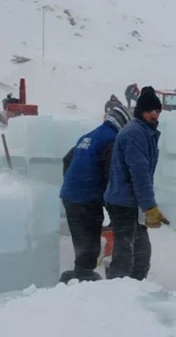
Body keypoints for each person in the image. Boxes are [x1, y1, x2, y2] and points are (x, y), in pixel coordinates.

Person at [59, 105, 133, 283]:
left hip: (71, 196)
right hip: (87, 199)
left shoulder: (89, 136)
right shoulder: (112, 140)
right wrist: (114, 207)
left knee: (81, 239)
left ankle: (80, 273)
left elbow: (67, 159)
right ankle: (83, 280)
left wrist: (73, 184)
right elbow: (111, 177)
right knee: (90, 241)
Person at [103, 86, 169, 280]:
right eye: (150, 111)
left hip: (132, 200)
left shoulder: (145, 132)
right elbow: (139, 173)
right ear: (140, 111)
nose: (154, 115)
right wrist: (149, 207)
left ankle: (135, 291)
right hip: (122, 201)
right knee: (125, 253)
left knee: (141, 254)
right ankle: (116, 291)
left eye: (157, 111)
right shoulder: (134, 133)